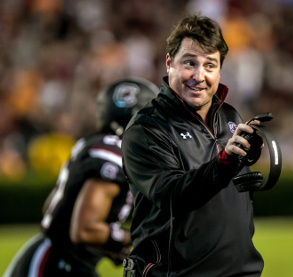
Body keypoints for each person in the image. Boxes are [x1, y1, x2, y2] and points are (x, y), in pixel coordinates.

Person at [121, 14, 264, 277]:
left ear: (220, 70)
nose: (199, 76)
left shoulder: (231, 116)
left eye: (210, 65)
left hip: (240, 272)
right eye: (189, 63)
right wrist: (225, 163)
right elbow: (171, 194)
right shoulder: (147, 129)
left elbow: (230, 195)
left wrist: (246, 160)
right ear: (169, 63)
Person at [4, 77, 159, 277]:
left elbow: (54, 209)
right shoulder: (115, 155)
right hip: (55, 264)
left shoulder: (96, 143)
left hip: (59, 258)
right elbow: (84, 229)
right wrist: (137, 239)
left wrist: (106, 245)